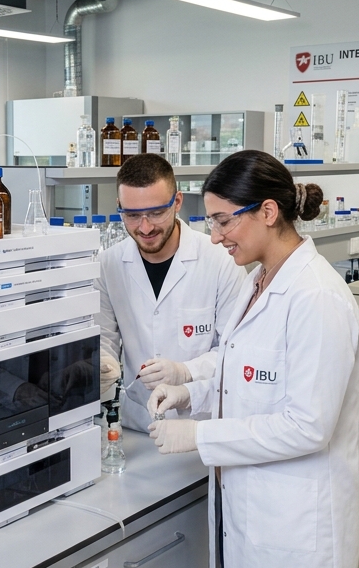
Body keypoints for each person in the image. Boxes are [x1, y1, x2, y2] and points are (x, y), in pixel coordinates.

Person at [146, 150, 359, 568]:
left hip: (294, 524)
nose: (215, 237)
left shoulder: (316, 296)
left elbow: (307, 426)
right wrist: (189, 384)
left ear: (268, 211)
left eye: (223, 220)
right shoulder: (261, 278)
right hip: (257, 519)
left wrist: (199, 436)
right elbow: (241, 358)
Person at [95, 153, 246, 431]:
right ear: (119, 207)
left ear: (177, 201)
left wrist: (185, 372)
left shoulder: (220, 260)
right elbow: (103, 338)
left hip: (201, 423)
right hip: (138, 423)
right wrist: (103, 363)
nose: (145, 227)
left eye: (156, 212)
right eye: (132, 215)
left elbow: (236, 351)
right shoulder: (108, 265)